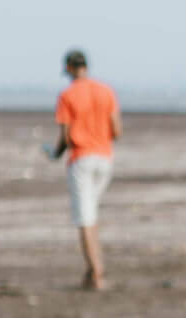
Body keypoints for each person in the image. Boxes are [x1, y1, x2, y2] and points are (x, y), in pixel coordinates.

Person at [49, 49, 121, 291]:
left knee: (85, 219)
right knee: (91, 215)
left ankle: (96, 274)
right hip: (105, 159)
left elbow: (65, 137)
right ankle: (94, 270)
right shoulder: (106, 91)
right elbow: (117, 130)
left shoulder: (67, 95)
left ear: (69, 68)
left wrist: (55, 154)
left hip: (82, 159)